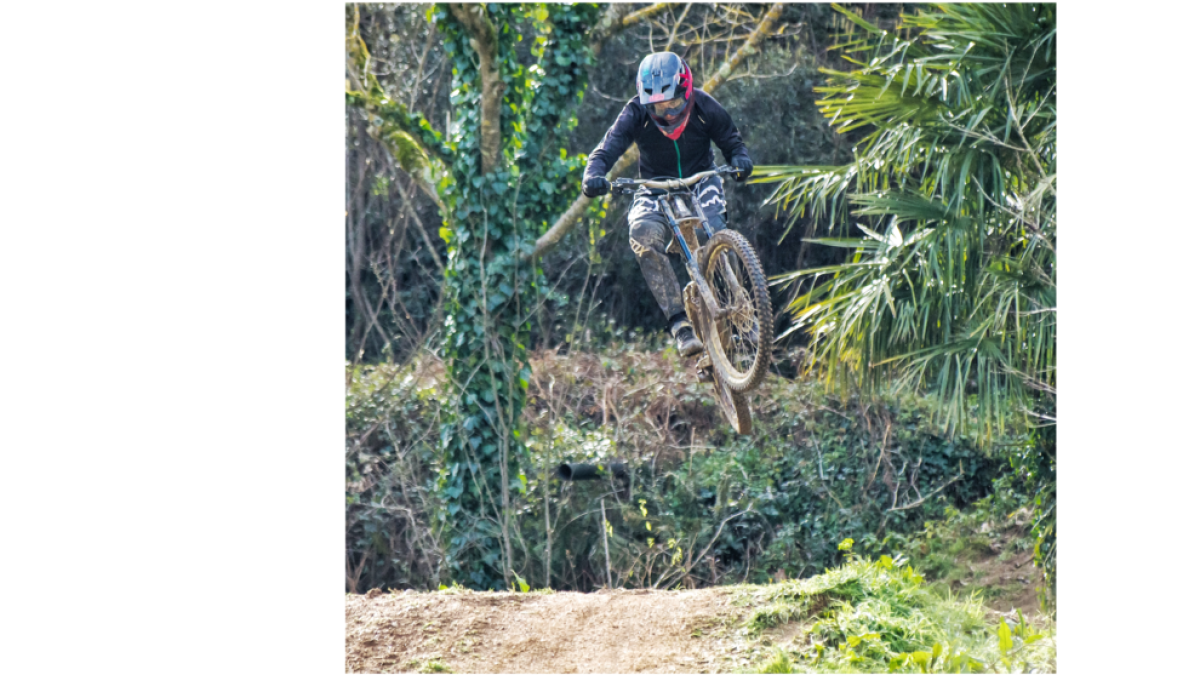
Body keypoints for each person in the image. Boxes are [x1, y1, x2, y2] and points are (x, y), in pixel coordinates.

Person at [581, 51, 753, 358]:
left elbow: (731, 139)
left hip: (701, 180)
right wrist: (594, 174)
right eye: (658, 106)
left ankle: (740, 302)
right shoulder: (634, 113)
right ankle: (679, 324)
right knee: (642, 233)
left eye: (673, 103)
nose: (669, 112)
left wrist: (739, 160)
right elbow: (605, 151)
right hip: (654, 187)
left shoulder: (704, 106)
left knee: (715, 228)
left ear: (686, 91)